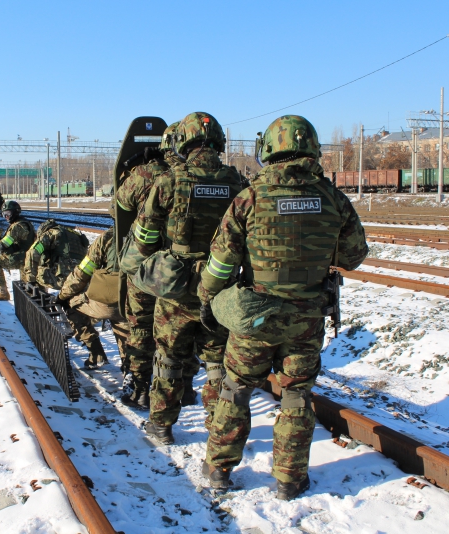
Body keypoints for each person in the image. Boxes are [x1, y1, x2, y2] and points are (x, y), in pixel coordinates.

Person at [197, 115, 368, 498]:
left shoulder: (250, 198)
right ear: (312, 149)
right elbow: (354, 255)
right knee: (296, 396)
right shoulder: (333, 199)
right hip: (306, 318)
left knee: (235, 390)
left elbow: (221, 262)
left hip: (255, 315)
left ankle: (219, 469)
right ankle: (290, 480)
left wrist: (208, 300)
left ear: (270, 149)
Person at [131, 112, 244, 445]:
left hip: (176, 290)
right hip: (220, 290)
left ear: (183, 143)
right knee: (217, 362)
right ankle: (216, 424)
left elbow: (144, 238)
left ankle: (161, 427)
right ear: (218, 142)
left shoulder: (170, 181)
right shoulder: (236, 182)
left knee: (168, 358)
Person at [116, 122, 200, 410]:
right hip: (188, 272)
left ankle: (140, 388)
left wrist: (138, 168)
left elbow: (122, 201)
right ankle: (186, 387)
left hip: (147, 268)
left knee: (141, 325)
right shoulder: (197, 174)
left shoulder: (148, 173)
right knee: (184, 331)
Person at [22, 220, 106, 365]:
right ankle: (96, 353)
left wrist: (30, 279)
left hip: (60, 277)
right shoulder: (76, 235)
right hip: (82, 279)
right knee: (74, 310)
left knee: (33, 281)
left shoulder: (51, 233)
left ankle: (44, 318)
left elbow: (33, 252)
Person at [57, 206, 130, 369]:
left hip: (109, 303)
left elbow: (82, 273)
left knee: (72, 305)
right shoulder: (151, 237)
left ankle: (95, 354)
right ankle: (131, 374)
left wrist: (62, 296)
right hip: (138, 303)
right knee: (127, 332)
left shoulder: (107, 238)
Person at [0, 200, 36, 301]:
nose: (6, 217)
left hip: (21, 258)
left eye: (8, 214)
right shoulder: (26, 223)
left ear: (15, 212)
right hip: (30, 258)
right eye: (4, 214)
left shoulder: (16, 227)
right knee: (26, 288)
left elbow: (2, 246)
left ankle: (3, 293)